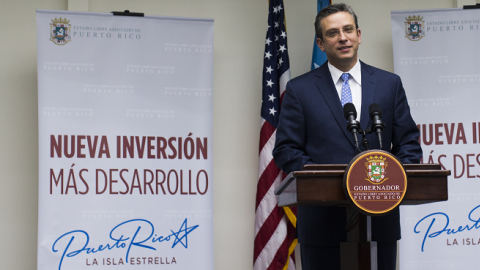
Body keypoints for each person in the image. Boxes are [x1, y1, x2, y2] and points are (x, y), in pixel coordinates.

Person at [272, 3, 422, 270]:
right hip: (321, 224)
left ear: (359, 35)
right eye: (332, 33)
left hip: (379, 220)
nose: (342, 37)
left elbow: (408, 143)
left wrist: (393, 177)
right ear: (320, 43)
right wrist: (324, 181)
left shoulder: (390, 84)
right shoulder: (299, 89)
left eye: (348, 29)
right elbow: (286, 149)